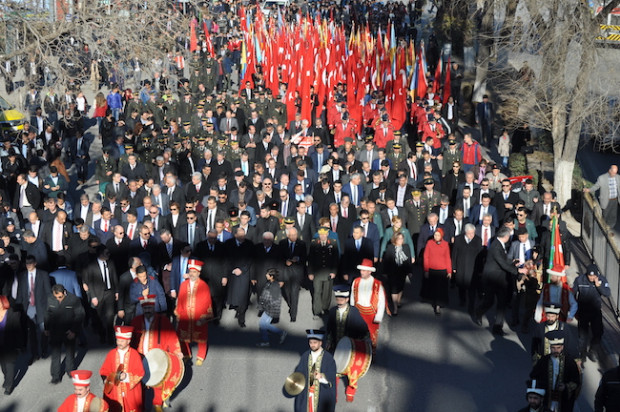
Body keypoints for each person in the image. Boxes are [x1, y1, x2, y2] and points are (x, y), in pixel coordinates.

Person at [130, 295, 182, 411]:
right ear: (142, 309)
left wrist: (177, 351)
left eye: (150, 308)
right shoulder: (135, 321)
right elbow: (131, 340)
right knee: (139, 384)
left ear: (154, 308)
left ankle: (157, 403)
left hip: (158, 357)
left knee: (158, 381)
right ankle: (140, 406)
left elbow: (171, 337)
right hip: (140, 357)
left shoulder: (163, 321)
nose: (148, 310)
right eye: (145, 308)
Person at [474, 227, 528, 335]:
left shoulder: (500, 244)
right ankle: (478, 312)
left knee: (501, 303)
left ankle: (497, 327)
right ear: (506, 237)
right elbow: (502, 263)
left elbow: (503, 260)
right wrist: (518, 270)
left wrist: (512, 262)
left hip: (501, 280)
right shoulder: (495, 246)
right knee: (489, 301)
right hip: (491, 279)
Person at [324, 285, 369, 402]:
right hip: (336, 346)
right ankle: (334, 394)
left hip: (350, 347)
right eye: (337, 299)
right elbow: (329, 328)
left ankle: (350, 392)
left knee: (353, 372)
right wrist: (329, 340)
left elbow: (363, 328)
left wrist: (364, 342)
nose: (339, 302)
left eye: (341, 300)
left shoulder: (354, 312)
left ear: (347, 299)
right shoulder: (333, 311)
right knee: (334, 371)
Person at [530, 330, 581, 412]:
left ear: (562, 347)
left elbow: (576, 381)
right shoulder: (543, 361)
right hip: (547, 399)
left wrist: (566, 386)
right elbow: (534, 377)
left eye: (558, 348)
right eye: (553, 348)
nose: (556, 350)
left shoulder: (570, 362)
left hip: (563, 401)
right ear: (550, 348)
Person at [175, 259, 213, 366]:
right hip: (185, 316)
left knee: (201, 337)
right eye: (190, 272)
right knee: (183, 337)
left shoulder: (203, 285)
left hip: (198, 316)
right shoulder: (183, 285)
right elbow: (180, 300)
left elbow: (207, 302)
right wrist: (179, 313)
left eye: (194, 272)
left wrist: (204, 317)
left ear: (199, 273)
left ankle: (200, 356)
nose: (192, 274)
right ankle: (186, 354)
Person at [45, 284, 85, 384]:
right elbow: (47, 314)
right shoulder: (50, 299)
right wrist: (46, 328)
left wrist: (74, 330)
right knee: (55, 354)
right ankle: (55, 376)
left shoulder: (74, 299)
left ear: (64, 292)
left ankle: (70, 371)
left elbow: (80, 315)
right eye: (56, 297)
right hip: (55, 331)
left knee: (70, 352)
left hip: (69, 331)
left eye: (60, 297)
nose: (58, 299)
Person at [291, 329, 337, 412]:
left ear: (320, 343)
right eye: (310, 342)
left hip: (321, 394)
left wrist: (321, 376)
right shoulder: (305, 355)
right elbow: (299, 371)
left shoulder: (328, 358)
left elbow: (332, 375)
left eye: (315, 343)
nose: (312, 345)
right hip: (307, 393)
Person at [573, 264, 611, 362]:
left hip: (595, 311)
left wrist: (599, 286)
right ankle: (582, 354)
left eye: (593, 276)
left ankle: (593, 351)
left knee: (598, 332)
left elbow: (607, 293)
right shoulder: (579, 280)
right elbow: (573, 293)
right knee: (582, 335)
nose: (591, 278)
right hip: (583, 311)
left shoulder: (601, 280)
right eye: (590, 276)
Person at [17, 254, 51, 363]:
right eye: (27, 264)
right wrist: (19, 307)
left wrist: (50, 307)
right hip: (29, 307)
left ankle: (44, 349)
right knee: (32, 333)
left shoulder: (43, 275)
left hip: (41, 306)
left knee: (43, 330)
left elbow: (48, 292)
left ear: (35, 263)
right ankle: (34, 354)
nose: (28, 266)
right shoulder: (22, 276)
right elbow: (20, 292)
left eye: (30, 264)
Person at [351, 259, 387, 351]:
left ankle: (371, 355)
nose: (361, 272)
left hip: (371, 314)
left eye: (363, 270)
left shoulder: (377, 284)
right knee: (357, 336)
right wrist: (352, 312)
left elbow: (382, 302)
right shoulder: (356, 281)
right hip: (358, 312)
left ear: (370, 272)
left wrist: (378, 316)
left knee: (371, 337)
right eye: (361, 270)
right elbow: (352, 296)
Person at [451, 223, 484, 314]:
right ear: (465, 232)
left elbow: (480, 256)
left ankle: (471, 306)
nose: (471, 235)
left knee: (472, 289)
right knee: (461, 286)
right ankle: (462, 300)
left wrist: (480, 269)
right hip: (461, 267)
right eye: (469, 233)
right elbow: (454, 254)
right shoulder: (458, 239)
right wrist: (454, 266)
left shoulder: (477, 240)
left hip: (473, 268)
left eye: (473, 233)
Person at [308, 227, 339, 319]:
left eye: (324, 234)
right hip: (317, 273)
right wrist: (310, 272)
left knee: (327, 292)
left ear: (327, 234)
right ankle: (317, 311)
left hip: (328, 272)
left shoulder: (333, 243)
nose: (322, 236)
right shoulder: (314, 243)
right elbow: (310, 259)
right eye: (320, 234)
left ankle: (325, 308)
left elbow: (336, 259)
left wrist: (334, 272)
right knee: (317, 292)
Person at [382, 232, 413, 315]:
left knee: (400, 287)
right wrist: (384, 272)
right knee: (394, 289)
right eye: (399, 238)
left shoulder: (406, 247)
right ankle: (395, 308)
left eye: (402, 238)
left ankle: (398, 301)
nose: (401, 240)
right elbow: (387, 261)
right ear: (395, 239)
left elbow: (408, 260)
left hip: (402, 271)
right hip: (393, 271)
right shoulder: (390, 248)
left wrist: (410, 271)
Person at [422, 228, 452, 316]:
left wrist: (449, 271)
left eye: (438, 235)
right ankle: (435, 303)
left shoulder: (446, 244)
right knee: (434, 288)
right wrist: (426, 270)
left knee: (441, 289)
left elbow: (447, 258)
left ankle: (439, 305)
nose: (436, 237)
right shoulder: (429, 243)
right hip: (432, 269)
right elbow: (426, 257)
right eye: (435, 235)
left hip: (442, 269)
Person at [256, 268, 287, 347]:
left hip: (270, 309)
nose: (266, 275)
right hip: (270, 308)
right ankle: (267, 339)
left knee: (263, 324)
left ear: (271, 276)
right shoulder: (272, 284)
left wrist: (262, 305)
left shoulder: (273, 286)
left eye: (267, 274)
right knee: (263, 324)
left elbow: (267, 298)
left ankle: (279, 333)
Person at [0, 295, 24, 395]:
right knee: (3, 367)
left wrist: (19, 346)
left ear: (3, 303)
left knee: (9, 366)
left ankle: (9, 386)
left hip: (10, 345)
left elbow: (18, 331)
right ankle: (7, 379)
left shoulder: (13, 314)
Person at [584, 165, 619, 229]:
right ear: (609, 170)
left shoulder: (618, 177)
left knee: (613, 215)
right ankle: (602, 228)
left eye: (616, 172)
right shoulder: (602, 178)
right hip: (606, 199)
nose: (615, 174)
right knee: (605, 215)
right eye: (613, 172)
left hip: (614, 200)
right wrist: (589, 190)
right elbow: (596, 186)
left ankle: (610, 228)